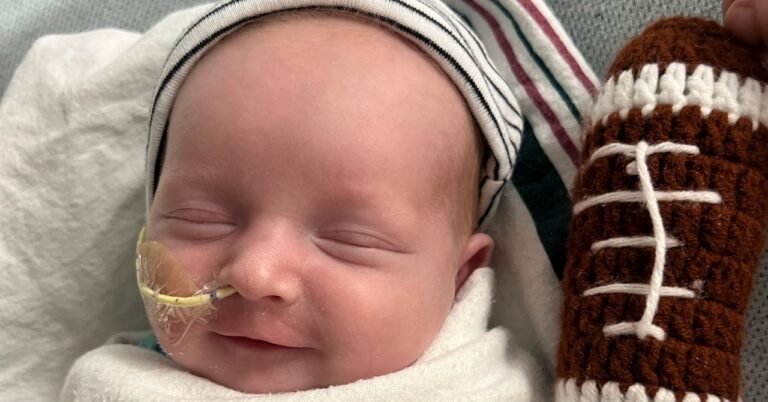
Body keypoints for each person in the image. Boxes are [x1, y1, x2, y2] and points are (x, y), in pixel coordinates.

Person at [61, 0, 546, 400]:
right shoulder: (116, 383)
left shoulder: (483, 388)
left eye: (349, 238)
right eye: (201, 218)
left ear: (458, 276)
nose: (255, 275)